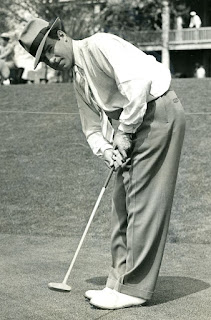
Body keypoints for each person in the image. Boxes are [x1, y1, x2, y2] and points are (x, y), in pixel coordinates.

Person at [19, 17, 186, 310]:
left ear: (61, 34)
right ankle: (116, 282)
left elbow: (138, 86)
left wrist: (124, 133)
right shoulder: (79, 79)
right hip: (135, 124)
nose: (50, 60)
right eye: (43, 58)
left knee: (143, 202)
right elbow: (92, 128)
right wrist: (107, 150)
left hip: (158, 113)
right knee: (121, 204)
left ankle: (134, 288)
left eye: (49, 50)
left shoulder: (100, 45)